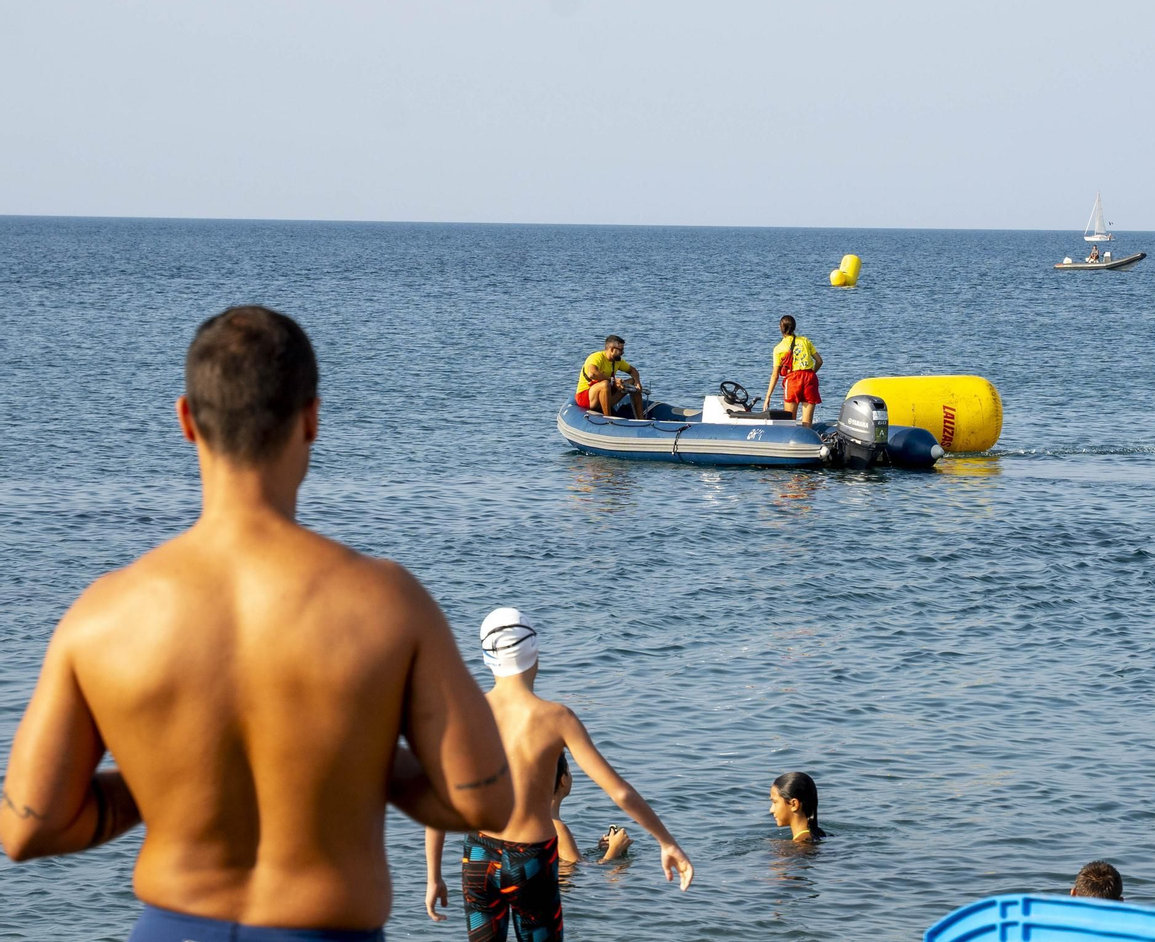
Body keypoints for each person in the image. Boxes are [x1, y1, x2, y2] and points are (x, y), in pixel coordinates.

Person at [0, 306, 512, 942]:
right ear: (312, 418)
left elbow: (28, 827)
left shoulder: (103, 614)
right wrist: (354, 761)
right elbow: (483, 802)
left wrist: (167, 779)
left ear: (187, 420)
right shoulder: (386, 603)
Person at [424, 609, 693, 941]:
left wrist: (433, 875)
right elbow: (619, 793)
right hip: (530, 861)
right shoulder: (556, 718)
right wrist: (666, 842)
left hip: (478, 856)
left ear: (487, 659)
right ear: (534, 653)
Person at [551, 752, 631, 865]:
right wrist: (615, 849)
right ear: (563, 779)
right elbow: (577, 871)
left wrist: (603, 851)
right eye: (568, 771)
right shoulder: (557, 828)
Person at [759, 315, 823, 425]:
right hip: (810, 378)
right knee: (807, 423)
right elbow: (819, 361)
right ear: (794, 327)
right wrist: (811, 373)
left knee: (790, 422)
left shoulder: (778, 348)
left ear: (781, 328)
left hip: (793, 380)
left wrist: (768, 397)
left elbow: (775, 375)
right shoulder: (805, 341)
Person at [575, 335, 644, 418]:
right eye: (621, 350)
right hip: (586, 396)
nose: (623, 352)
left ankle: (641, 419)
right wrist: (612, 380)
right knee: (605, 384)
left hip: (605, 394)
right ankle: (608, 418)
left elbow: (633, 370)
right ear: (612, 349)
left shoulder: (618, 361)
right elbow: (592, 374)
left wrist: (637, 382)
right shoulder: (597, 357)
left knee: (632, 382)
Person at [768, 771, 825, 843]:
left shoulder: (799, 845)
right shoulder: (820, 834)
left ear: (794, 804)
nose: (771, 810)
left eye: (775, 802)